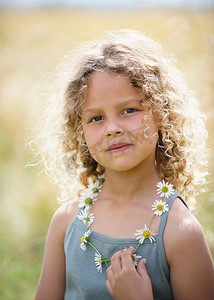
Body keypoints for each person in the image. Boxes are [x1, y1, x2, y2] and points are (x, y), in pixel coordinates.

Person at [34, 30, 214, 300]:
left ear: (162, 115)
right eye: (96, 118)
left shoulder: (180, 232)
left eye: (129, 110)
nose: (112, 129)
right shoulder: (66, 222)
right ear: (79, 131)